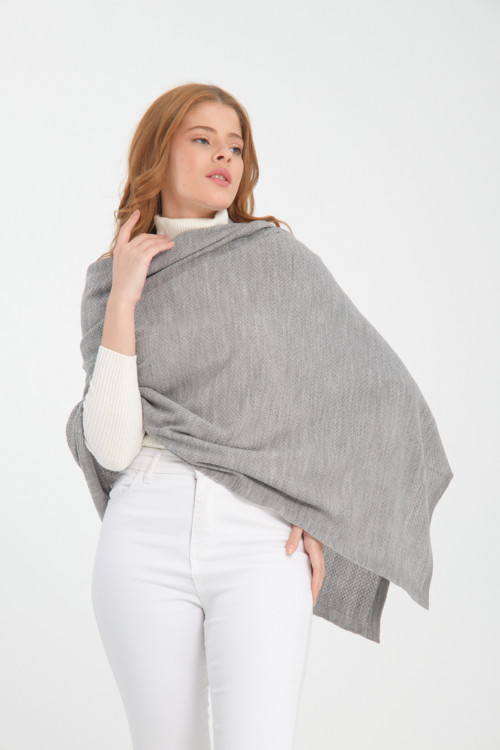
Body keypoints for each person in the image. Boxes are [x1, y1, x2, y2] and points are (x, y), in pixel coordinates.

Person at [82, 83, 323, 750]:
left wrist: (319, 508)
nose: (225, 156)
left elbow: (327, 399)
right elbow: (113, 448)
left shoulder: (274, 261)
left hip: (260, 536)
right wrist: (124, 298)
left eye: (236, 146)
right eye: (203, 139)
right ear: (159, 152)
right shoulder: (109, 279)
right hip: (142, 531)